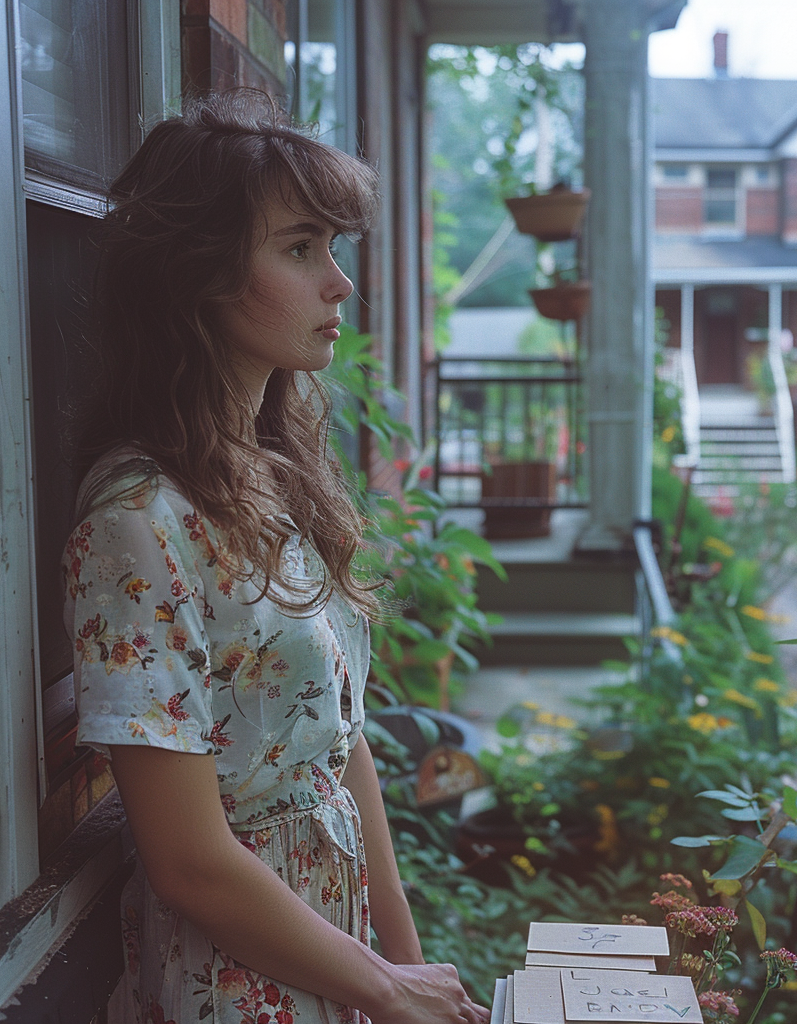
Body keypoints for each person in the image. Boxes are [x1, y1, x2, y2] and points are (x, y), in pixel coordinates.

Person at [62, 91, 490, 1024]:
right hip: (239, 983)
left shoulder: (270, 479)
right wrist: (381, 983)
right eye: (300, 250)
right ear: (198, 276)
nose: (339, 284)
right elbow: (185, 860)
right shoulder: (141, 520)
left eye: (331, 248)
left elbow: (345, 746)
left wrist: (405, 968)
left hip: (335, 959)